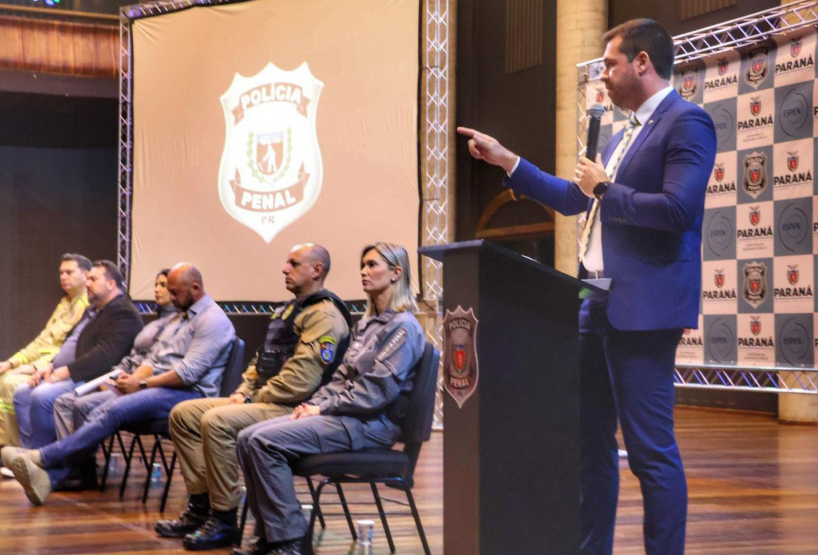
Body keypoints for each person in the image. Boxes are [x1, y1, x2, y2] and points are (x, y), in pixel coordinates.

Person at [457, 19, 716, 555]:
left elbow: (677, 209)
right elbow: (577, 199)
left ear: (642, 62)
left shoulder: (687, 122)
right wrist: (507, 159)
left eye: (610, 64)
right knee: (588, 444)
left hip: (642, 312)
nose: (603, 76)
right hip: (591, 304)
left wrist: (608, 188)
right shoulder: (623, 135)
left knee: (649, 452)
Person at [156, 244, 351, 551]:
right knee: (184, 414)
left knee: (216, 421)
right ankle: (203, 506)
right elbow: (260, 362)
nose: (284, 268)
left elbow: (300, 381)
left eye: (294, 263)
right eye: (286, 262)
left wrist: (251, 399)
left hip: (297, 409)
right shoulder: (288, 310)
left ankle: (223, 519)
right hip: (267, 401)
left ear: (317, 270)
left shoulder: (325, 315)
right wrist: (242, 391)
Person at [234, 243, 425, 555]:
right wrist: (310, 406)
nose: (364, 271)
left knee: (263, 443)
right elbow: (339, 379)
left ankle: (290, 541)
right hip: (345, 418)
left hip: (371, 425)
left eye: (373, 265)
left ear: (396, 273)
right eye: (362, 264)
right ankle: (272, 534)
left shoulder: (404, 327)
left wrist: (322, 407)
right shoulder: (364, 325)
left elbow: (376, 392)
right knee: (246, 438)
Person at [2, 263, 236, 506]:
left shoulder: (212, 320)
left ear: (196, 288)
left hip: (188, 395)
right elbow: (154, 359)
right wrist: (133, 379)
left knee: (116, 409)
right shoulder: (179, 318)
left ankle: (42, 457)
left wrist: (142, 384)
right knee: (84, 405)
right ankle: (53, 478)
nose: (171, 298)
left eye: (175, 292)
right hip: (158, 388)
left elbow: (188, 374)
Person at [0, 253, 91, 471]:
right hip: (38, 363)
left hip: (53, 368)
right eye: (61, 272)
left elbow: (70, 351)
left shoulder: (88, 308)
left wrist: (33, 367)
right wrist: (10, 362)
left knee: (10, 384)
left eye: (69, 272)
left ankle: (16, 449)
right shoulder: (65, 303)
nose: (63, 277)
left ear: (86, 275)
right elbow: (40, 342)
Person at [11, 260, 143, 450]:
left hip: (95, 379)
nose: (87, 283)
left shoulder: (123, 312)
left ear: (111, 284)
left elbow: (105, 356)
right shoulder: (95, 310)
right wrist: (51, 365)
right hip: (73, 373)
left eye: (93, 279)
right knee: (22, 393)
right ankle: (27, 453)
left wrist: (65, 371)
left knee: (41, 395)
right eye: (87, 278)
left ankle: (44, 459)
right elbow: (71, 342)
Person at [53, 268, 178, 442]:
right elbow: (131, 358)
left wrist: (131, 383)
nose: (157, 289)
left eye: (163, 285)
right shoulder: (154, 325)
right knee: (64, 401)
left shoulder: (178, 327)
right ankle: (70, 464)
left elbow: (156, 365)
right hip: (124, 379)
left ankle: (73, 465)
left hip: (142, 387)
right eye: (156, 284)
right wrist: (110, 378)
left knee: (74, 404)